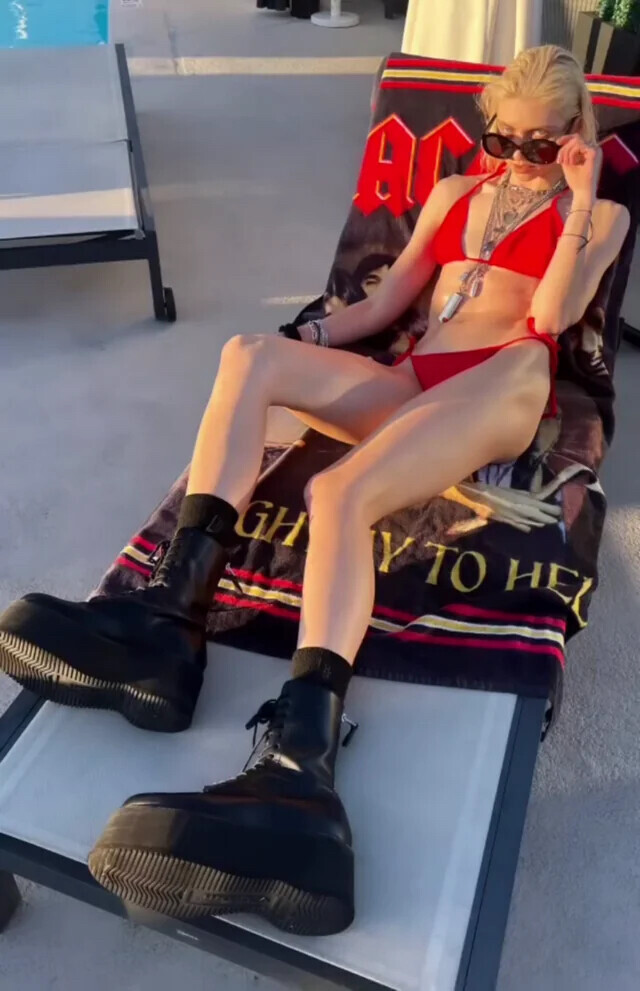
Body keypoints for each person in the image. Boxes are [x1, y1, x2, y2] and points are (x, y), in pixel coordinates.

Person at [0, 45, 629, 935]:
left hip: (507, 379)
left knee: (338, 494)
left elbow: (552, 317)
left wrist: (576, 196)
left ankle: (301, 771)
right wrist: (306, 339)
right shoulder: (457, 194)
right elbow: (380, 309)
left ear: (574, 135)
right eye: (504, 139)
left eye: (541, 144)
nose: (519, 159)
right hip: (415, 379)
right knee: (246, 357)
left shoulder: (598, 215)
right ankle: (168, 623)